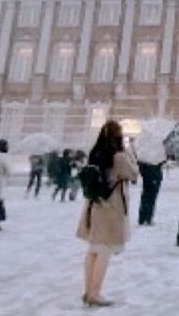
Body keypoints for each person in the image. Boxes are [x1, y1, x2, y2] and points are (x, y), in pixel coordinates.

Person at [76, 120, 138, 308]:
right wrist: (130, 153)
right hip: (111, 207)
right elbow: (133, 174)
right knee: (104, 251)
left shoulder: (95, 153)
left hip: (94, 204)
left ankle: (88, 291)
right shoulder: (118, 156)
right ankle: (95, 293)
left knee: (93, 250)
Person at [137, 160, 164, 226]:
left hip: (147, 175)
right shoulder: (156, 153)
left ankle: (142, 218)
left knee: (145, 197)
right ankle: (148, 218)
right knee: (151, 198)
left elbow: (139, 163)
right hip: (154, 175)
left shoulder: (144, 153)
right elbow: (162, 161)